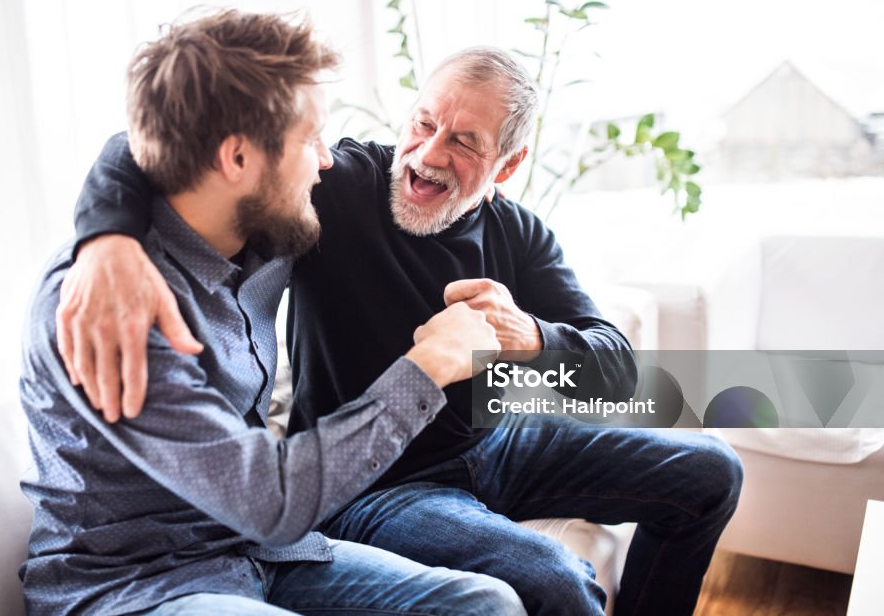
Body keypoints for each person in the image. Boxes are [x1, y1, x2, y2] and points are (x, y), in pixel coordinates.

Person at [60, 43, 744, 615]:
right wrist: (106, 240)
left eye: (464, 142)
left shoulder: (518, 234)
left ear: (507, 167)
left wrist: (527, 334)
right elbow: (147, 142)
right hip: (378, 485)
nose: (429, 153)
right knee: (551, 578)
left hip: (496, 444)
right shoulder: (340, 185)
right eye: (425, 123)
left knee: (712, 471)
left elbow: (615, 368)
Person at [19, 8, 527, 616]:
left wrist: (531, 339)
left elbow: (629, 381)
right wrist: (430, 364)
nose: (327, 159)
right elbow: (271, 498)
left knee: (485, 605)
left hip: (254, 555)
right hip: (139, 587)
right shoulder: (114, 305)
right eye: (310, 138)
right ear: (236, 160)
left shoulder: (262, 235)